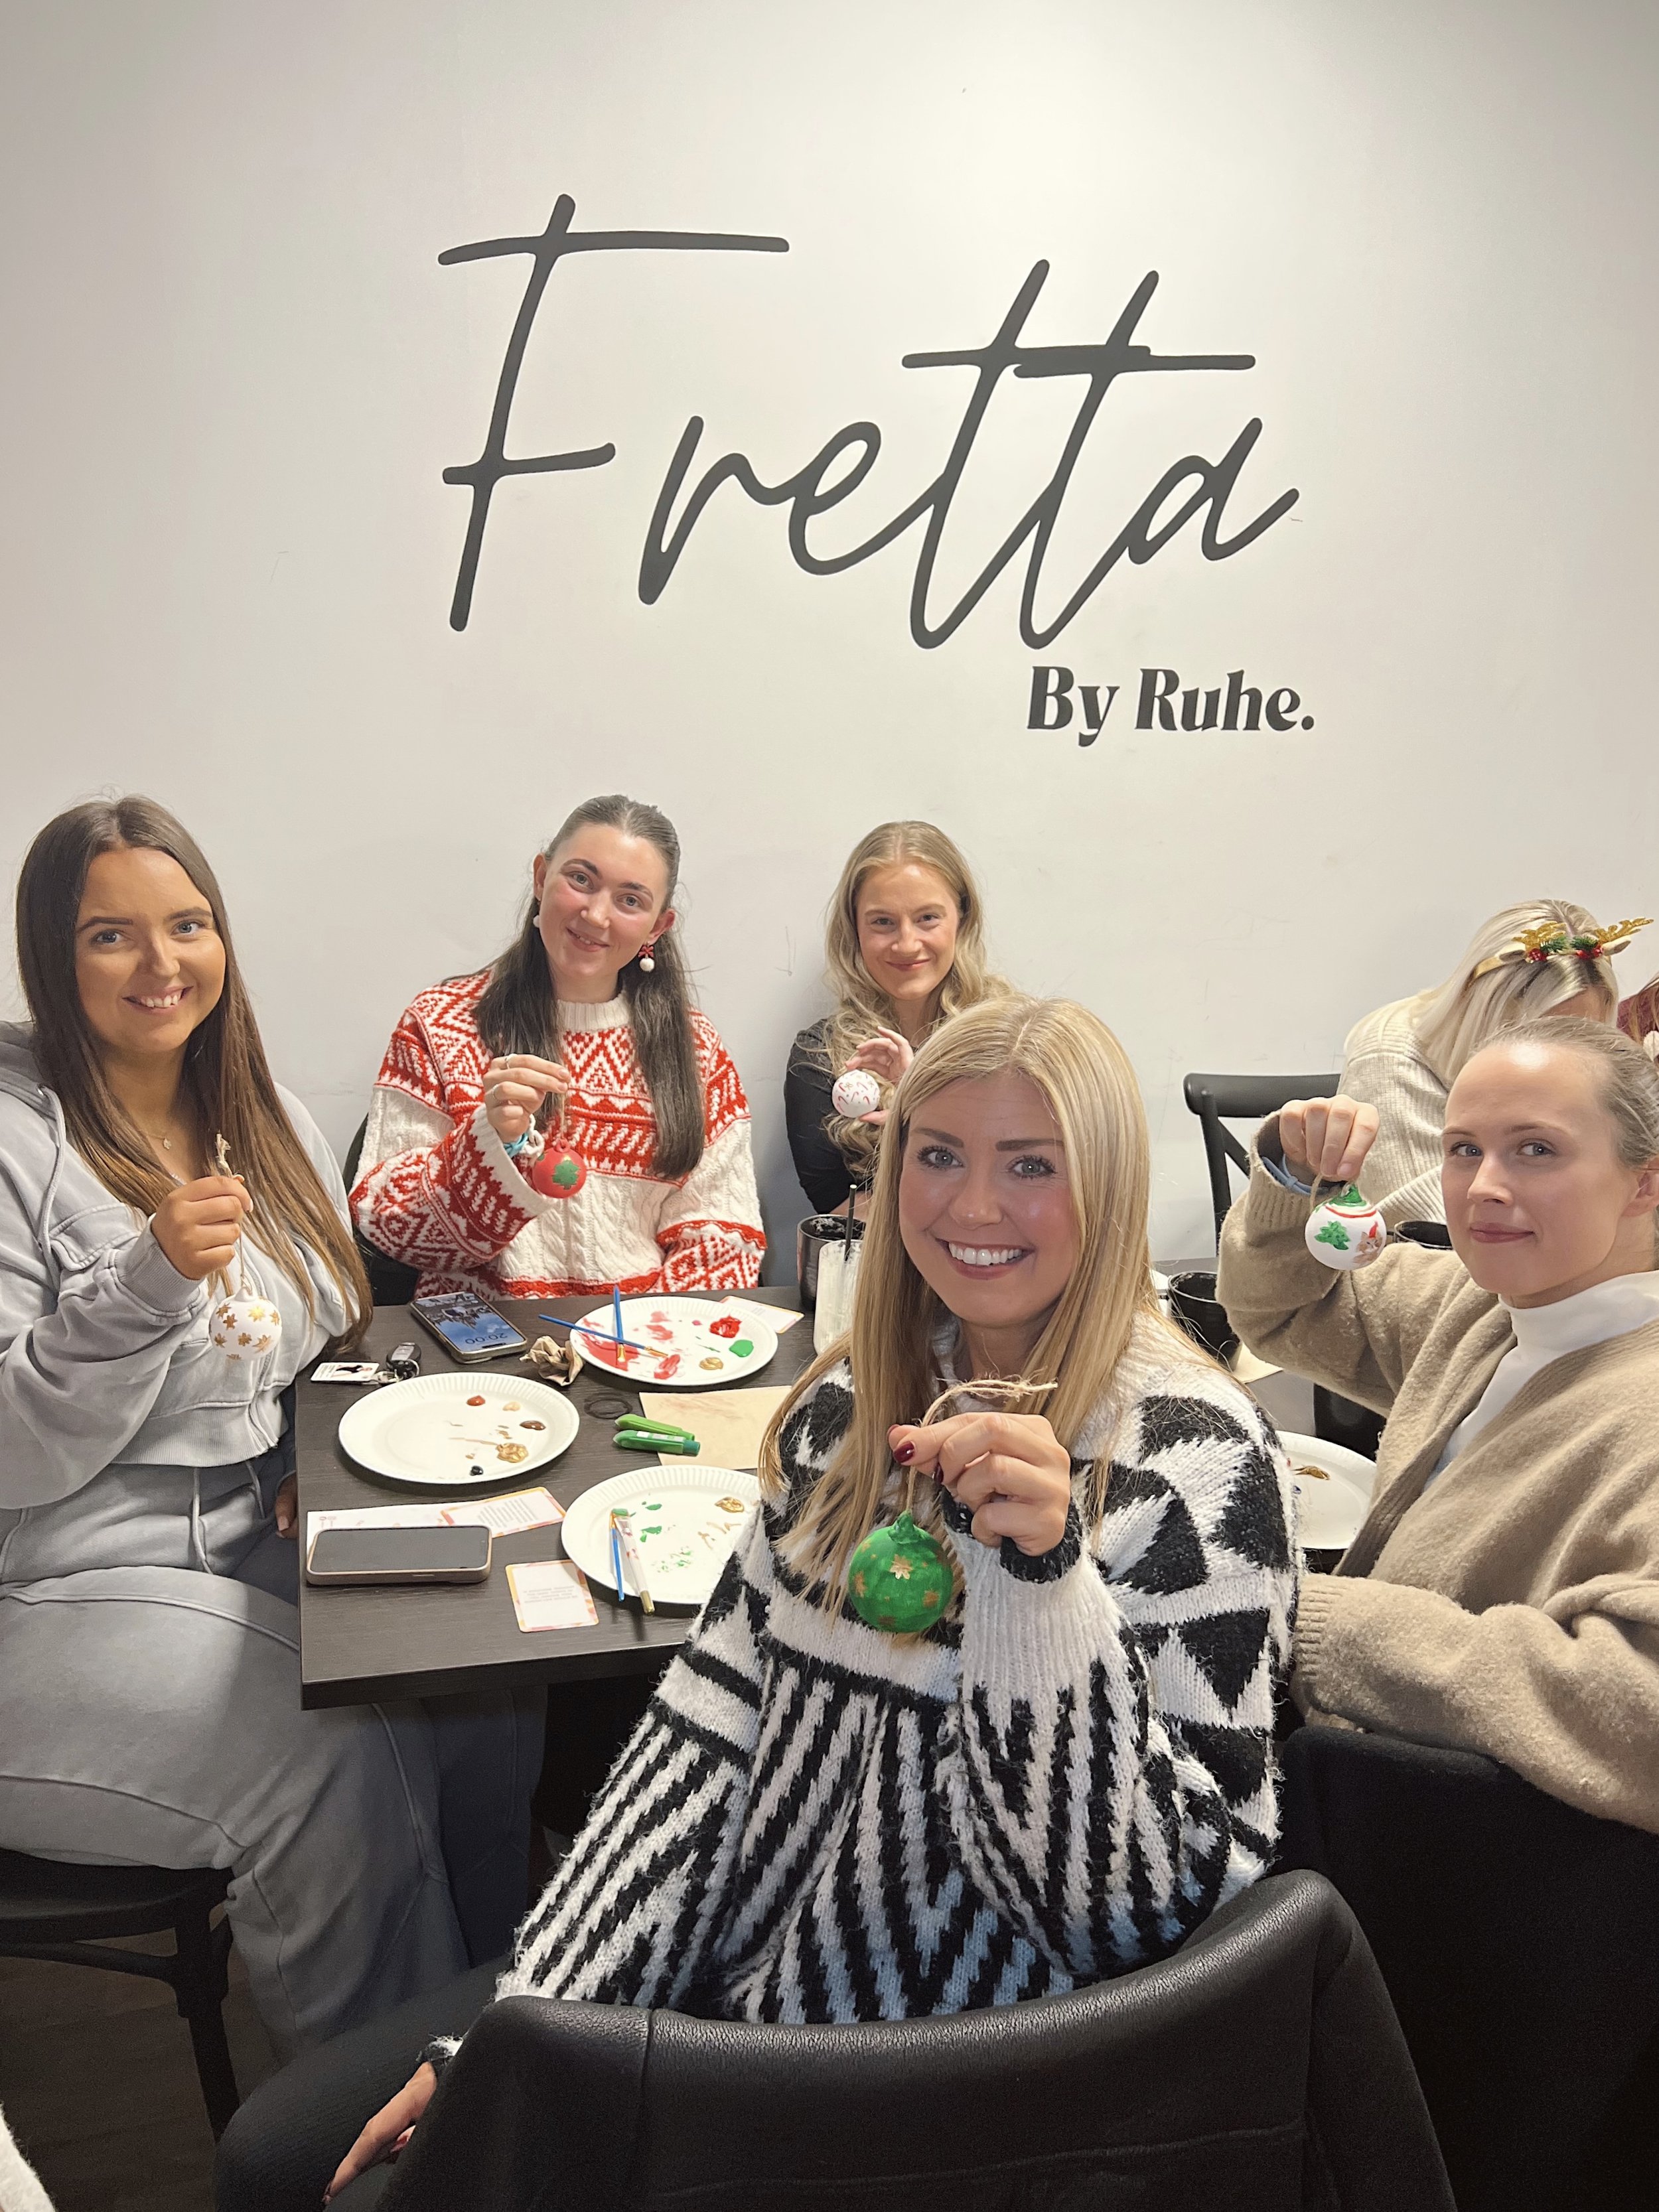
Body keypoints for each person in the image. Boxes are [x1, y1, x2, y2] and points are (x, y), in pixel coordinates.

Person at [224, 997, 1296, 2209]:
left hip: (965, 2085)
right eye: (936, 1154)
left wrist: (1041, 1588)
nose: (973, 1206)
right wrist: (533, 2019)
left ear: (1108, 1188)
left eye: (1031, 1165)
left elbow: (1141, 1919)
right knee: (281, 2157)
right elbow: (707, 1734)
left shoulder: (1199, 1464)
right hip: (743, 1998)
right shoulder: (850, 1411)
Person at [0, 798, 540, 2058]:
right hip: (51, 1572)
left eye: (186, 923)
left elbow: (329, 1333)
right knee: (334, 1759)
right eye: (110, 935)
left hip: (252, 1521)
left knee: (482, 1679)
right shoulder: (18, 1134)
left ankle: (513, 2043)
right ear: (50, 953)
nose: (161, 962)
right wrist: (136, 1289)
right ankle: (386, 2139)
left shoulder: (268, 1111)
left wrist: (311, 1457)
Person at [1217, 1016, 1659, 1832]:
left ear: (1644, 1182)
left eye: (1536, 1149)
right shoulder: (1485, 1306)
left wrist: (1317, 1620)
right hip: (1372, 1794)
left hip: (1497, 1883)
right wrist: (1284, 1172)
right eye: (1463, 1149)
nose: (1484, 1185)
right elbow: (1275, 1309)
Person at [353, 794, 764, 1300]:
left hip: (638, 1346)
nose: (595, 915)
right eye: (580, 880)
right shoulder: (441, 1023)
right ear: (541, 876)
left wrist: (655, 1339)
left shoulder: (696, 1050)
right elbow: (385, 1222)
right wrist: (489, 1144)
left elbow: (725, 1241)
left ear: (658, 927)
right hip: (481, 1347)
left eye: (630, 900)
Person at [1337, 901, 1644, 1226]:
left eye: (1582, 1036)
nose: (1565, 1060)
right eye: (1541, 1038)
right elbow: (1438, 1229)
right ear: (1483, 1011)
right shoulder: (1389, 1059)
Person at [785, 820, 1009, 1215]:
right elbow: (840, 1218)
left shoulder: (1014, 1037)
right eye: (883, 922)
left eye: (927, 918)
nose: (906, 944)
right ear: (854, 930)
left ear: (963, 919)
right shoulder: (818, 1056)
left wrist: (926, 1122)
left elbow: (1044, 1185)